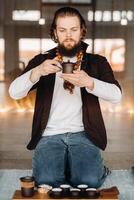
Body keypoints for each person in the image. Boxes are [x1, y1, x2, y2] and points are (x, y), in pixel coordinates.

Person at [9, 7, 122, 188]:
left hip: (85, 134)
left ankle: (97, 169)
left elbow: (116, 96)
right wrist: (37, 72)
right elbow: (14, 93)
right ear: (55, 32)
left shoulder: (97, 62)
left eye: (73, 29)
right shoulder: (41, 61)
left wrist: (89, 82)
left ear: (82, 30)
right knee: (46, 182)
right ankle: (69, 167)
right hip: (49, 135)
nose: (68, 35)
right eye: (62, 30)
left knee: (88, 182)